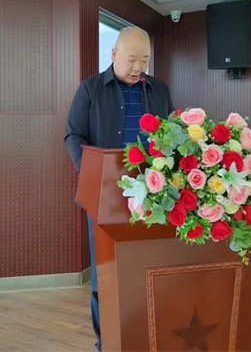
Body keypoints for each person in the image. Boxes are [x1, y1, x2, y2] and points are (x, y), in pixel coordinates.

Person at [64, 26, 175, 351]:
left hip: (154, 195)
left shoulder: (159, 90)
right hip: (106, 196)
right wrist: (92, 173)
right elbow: (73, 135)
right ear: (114, 55)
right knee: (106, 275)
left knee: (147, 270)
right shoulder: (90, 89)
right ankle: (107, 342)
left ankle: (146, 336)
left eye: (144, 60)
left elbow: (172, 134)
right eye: (131, 59)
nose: (138, 67)